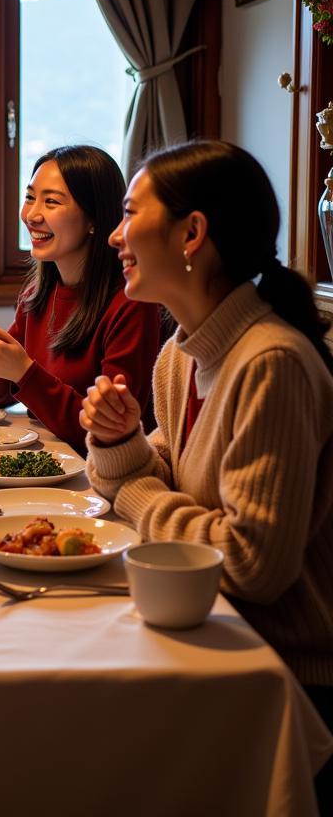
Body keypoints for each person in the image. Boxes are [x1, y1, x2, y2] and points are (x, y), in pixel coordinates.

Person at [79, 141, 333, 801]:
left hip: (279, 676)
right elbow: (160, 470)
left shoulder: (270, 362)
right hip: (206, 631)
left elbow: (252, 564)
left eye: (130, 213)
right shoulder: (180, 357)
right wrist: (119, 439)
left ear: (192, 233)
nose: (114, 235)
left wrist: (132, 483)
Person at [0, 145, 160, 451]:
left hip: (99, 477)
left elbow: (109, 432)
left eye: (51, 202)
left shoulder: (131, 302)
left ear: (94, 218)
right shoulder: (37, 295)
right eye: (30, 198)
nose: (32, 214)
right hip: (49, 458)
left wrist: (24, 371)